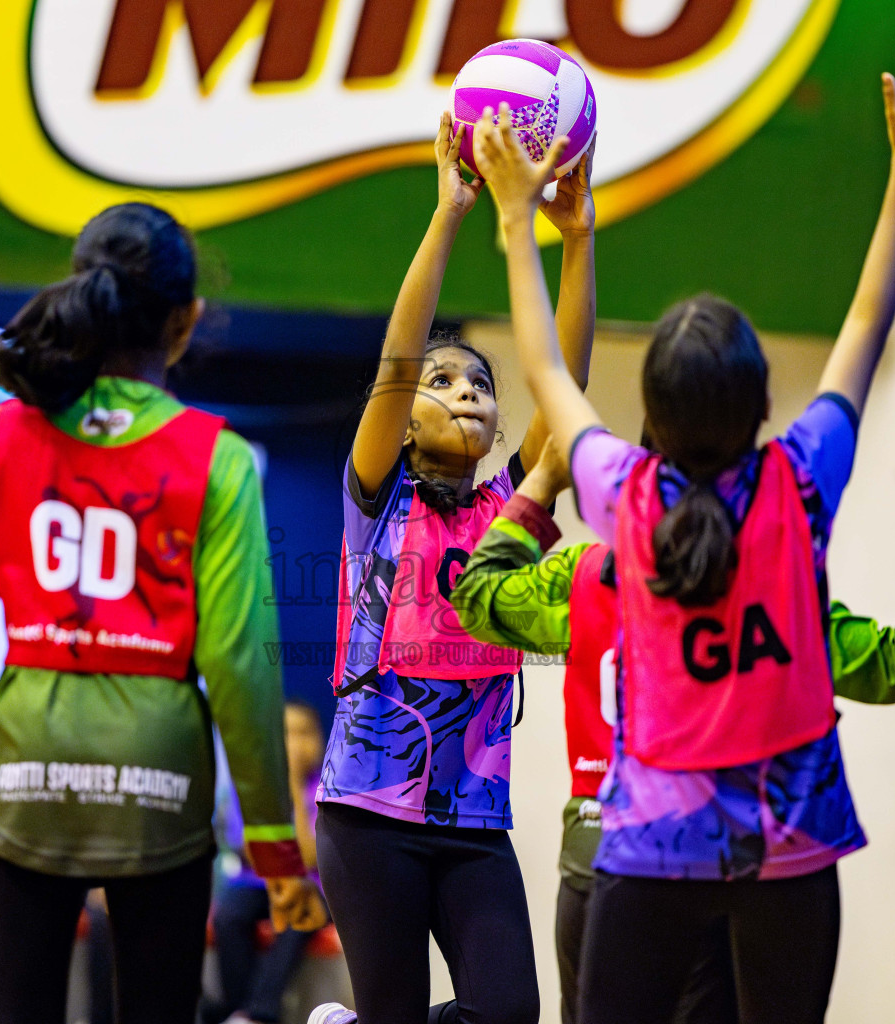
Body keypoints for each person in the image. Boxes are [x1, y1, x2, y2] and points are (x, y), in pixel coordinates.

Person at [473, 59, 895, 1024]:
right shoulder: (800, 479)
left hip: (655, 839)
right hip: (793, 840)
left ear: (649, 418)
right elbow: (866, 322)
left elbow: (541, 361)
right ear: (760, 411)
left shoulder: (625, 494)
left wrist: (514, 217)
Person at [0, 202, 323, 1024]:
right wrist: (274, 845)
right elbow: (235, 665)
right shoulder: (219, 457)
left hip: (27, 771)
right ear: (185, 319)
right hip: (159, 779)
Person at [449, 436, 895, 1024]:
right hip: (713, 857)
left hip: (599, 857)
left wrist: (543, 481)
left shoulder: (585, 576)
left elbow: (477, 597)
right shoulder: (776, 593)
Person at [308, 111, 596, 1024]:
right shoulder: (376, 499)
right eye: (445, 383)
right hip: (366, 814)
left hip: (475, 824)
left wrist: (579, 240)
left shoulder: (510, 511)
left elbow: (568, 382)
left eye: (480, 385)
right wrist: (451, 215)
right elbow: (398, 359)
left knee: (507, 1016)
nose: (465, 392)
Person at [205, 699, 326, 1024]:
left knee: (299, 915)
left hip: (309, 888)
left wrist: (294, 786)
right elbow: (248, 846)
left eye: (304, 733)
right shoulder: (253, 785)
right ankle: (240, 1009)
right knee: (228, 915)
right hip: (255, 882)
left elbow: (311, 856)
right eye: (286, 733)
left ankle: (258, 1013)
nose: (295, 743)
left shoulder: (326, 787)